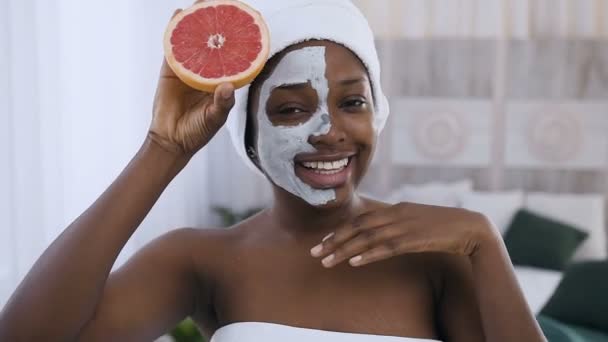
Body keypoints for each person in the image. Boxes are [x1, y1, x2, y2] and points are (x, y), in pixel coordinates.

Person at [0, 0, 547, 341]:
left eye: (352, 103)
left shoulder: (437, 257)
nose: (328, 130)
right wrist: (162, 149)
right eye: (290, 108)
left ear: (377, 113)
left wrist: (484, 239)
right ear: (249, 135)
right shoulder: (199, 259)